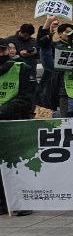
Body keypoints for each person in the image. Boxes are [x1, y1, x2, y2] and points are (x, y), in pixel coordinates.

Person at [0, 39, 36, 217]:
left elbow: (27, 98)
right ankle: (3, 203)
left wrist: (2, 111)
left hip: (13, 123)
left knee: (17, 164)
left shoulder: (21, 68)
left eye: (2, 50)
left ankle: (22, 201)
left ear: (7, 51)